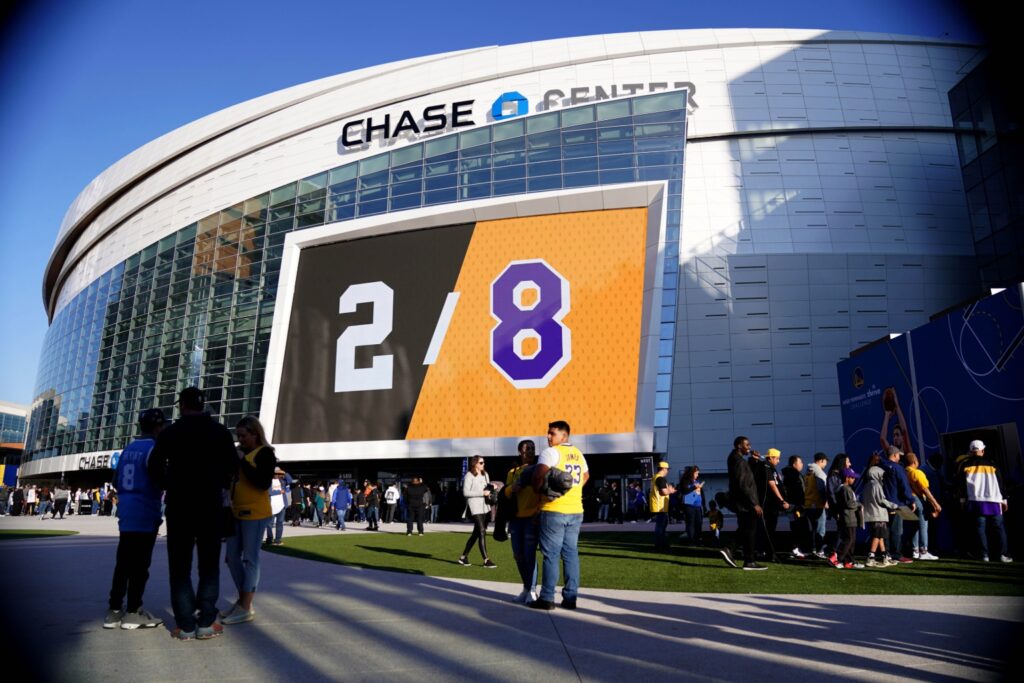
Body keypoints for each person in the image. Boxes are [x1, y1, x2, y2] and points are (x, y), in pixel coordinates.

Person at [149, 387, 237, 641]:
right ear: (203, 404)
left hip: (180, 506)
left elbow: (154, 467)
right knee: (209, 567)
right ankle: (206, 621)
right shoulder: (219, 432)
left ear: (182, 406)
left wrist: (169, 484)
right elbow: (233, 467)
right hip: (210, 506)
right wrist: (216, 479)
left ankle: (185, 624)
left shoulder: (171, 433)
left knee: (180, 568)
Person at [103, 408, 168, 630]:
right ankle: (133, 611)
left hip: (127, 512)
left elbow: (115, 481)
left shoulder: (129, 448)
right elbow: (162, 481)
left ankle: (113, 611)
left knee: (123, 564)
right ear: (159, 427)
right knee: (140, 566)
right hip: (145, 512)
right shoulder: (154, 449)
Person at [221, 415, 276, 626]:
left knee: (250, 558)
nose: (240, 439)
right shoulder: (241, 455)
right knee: (231, 557)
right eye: (238, 436)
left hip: (255, 513)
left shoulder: (265, 454)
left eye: (243, 435)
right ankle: (244, 601)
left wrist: (242, 461)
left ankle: (245, 604)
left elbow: (262, 483)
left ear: (255, 434)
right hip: (236, 512)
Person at [530, 421, 589, 609]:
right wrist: (572, 490)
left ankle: (547, 598)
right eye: (548, 433)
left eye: (552, 433)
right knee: (571, 554)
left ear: (564, 436)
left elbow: (537, 478)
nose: (548, 436)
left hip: (554, 509)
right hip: (575, 510)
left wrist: (543, 490)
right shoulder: (578, 453)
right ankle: (570, 597)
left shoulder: (551, 452)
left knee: (551, 555)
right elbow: (586, 476)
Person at [958, 440, 1012, 562]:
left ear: (971, 451)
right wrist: (1004, 500)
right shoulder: (992, 464)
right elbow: (1001, 483)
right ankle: (1003, 555)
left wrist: (962, 501)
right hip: (994, 500)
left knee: (979, 529)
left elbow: (961, 485)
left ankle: (984, 555)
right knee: (998, 528)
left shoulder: (965, 465)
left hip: (976, 501)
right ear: (982, 450)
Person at [721, 436, 766, 570]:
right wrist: (754, 504)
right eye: (747, 445)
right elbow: (744, 484)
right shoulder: (739, 461)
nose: (750, 447)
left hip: (742, 502)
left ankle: (741, 555)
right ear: (739, 446)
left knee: (745, 530)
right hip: (746, 503)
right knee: (749, 530)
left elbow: (747, 475)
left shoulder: (737, 459)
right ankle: (740, 554)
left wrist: (753, 460)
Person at [505, 440, 540, 602]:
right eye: (527, 449)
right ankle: (526, 588)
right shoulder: (513, 472)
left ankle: (532, 590)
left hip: (531, 518)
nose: (530, 452)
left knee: (529, 555)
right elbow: (505, 493)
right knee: (518, 555)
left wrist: (539, 512)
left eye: (532, 449)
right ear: (520, 451)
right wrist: (513, 488)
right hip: (515, 519)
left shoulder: (540, 470)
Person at [879, 446, 916, 563]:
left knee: (887, 529)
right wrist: (911, 500)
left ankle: (887, 553)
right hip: (897, 503)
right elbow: (904, 485)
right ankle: (897, 554)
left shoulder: (881, 466)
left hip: (883, 503)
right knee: (897, 530)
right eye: (899, 455)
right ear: (894, 455)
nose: (899, 457)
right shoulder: (897, 467)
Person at [458, 455, 496, 567]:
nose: (483, 464)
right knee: (482, 531)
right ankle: (486, 560)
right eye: (481, 462)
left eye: (483, 462)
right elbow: (465, 493)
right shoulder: (469, 475)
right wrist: (481, 492)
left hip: (485, 506)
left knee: (476, 533)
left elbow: (487, 489)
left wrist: (491, 487)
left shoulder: (485, 474)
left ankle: (463, 557)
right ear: (475, 464)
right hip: (474, 506)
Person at [753, 448, 789, 561]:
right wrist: (781, 500)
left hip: (770, 504)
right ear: (771, 457)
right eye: (777, 458)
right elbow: (772, 485)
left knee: (768, 529)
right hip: (769, 504)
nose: (778, 461)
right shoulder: (767, 467)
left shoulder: (769, 467)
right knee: (768, 530)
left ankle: (766, 552)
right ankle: (769, 553)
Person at [904, 452, 941, 560]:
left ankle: (915, 550)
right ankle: (923, 551)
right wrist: (935, 503)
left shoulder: (904, 472)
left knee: (915, 525)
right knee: (923, 524)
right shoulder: (917, 473)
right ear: (915, 462)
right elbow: (925, 489)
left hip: (909, 501)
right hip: (917, 500)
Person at [862, 465, 898, 567]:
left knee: (880, 536)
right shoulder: (876, 485)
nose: (882, 477)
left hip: (871, 515)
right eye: (881, 475)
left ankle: (885, 557)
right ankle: (871, 558)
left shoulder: (866, 485)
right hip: (879, 515)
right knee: (877, 536)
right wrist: (894, 506)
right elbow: (881, 500)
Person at [835, 467, 863, 569]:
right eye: (852, 477)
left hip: (849, 518)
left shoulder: (843, 488)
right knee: (849, 539)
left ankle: (849, 560)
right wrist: (859, 504)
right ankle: (837, 558)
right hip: (848, 518)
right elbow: (850, 503)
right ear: (846, 478)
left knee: (851, 539)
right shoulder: (846, 489)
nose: (854, 479)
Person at [802, 453, 829, 558]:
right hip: (817, 504)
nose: (826, 464)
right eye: (825, 461)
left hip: (808, 503)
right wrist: (825, 501)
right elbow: (822, 488)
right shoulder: (819, 472)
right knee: (820, 529)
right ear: (821, 460)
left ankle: (813, 549)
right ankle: (819, 550)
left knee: (813, 528)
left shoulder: (808, 471)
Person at [781, 455, 806, 557]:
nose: (802, 464)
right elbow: (797, 491)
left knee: (796, 526)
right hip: (795, 506)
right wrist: (799, 504)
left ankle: (795, 548)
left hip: (794, 505)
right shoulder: (793, 475)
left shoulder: (790, 474)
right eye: (800, 462)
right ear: (794, 464)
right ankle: (794, 548)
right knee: (797, 526)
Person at [650, 461, 676, 551]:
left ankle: (660, 545)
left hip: (658, 506)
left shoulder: (655, 477)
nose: (668, 471)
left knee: (660, 526)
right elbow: (664, 492)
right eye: (667, 469)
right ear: (664, 469)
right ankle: (660, 546)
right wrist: (671, 491)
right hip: (660, 506)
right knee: (661, 527)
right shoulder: (660, 479)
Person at [680, 466, 704, 546]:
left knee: (699, 523)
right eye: (696, 473)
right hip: (689, 505)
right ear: (691, 472)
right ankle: (691, 541)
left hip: (698, 506)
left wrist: (703, 503)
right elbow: (684, 490)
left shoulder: (696, 481)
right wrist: (694, 487)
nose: (697, 475)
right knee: (691, 524)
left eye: (698, 473)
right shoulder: (685, 481)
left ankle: (698, 540)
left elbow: (701, 493)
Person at [265, 468, 289, 546]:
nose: (276, 475)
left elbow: (290, 480)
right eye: (275, 473)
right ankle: (269, 539)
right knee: (269, 524)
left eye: (278, 473)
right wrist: (279, 492)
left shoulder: (282, 481)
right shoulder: (268, 481)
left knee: (280, 523)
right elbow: (269, 492)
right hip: (271, 506)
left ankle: (277, 540)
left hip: (281, 505)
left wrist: (284, 472)